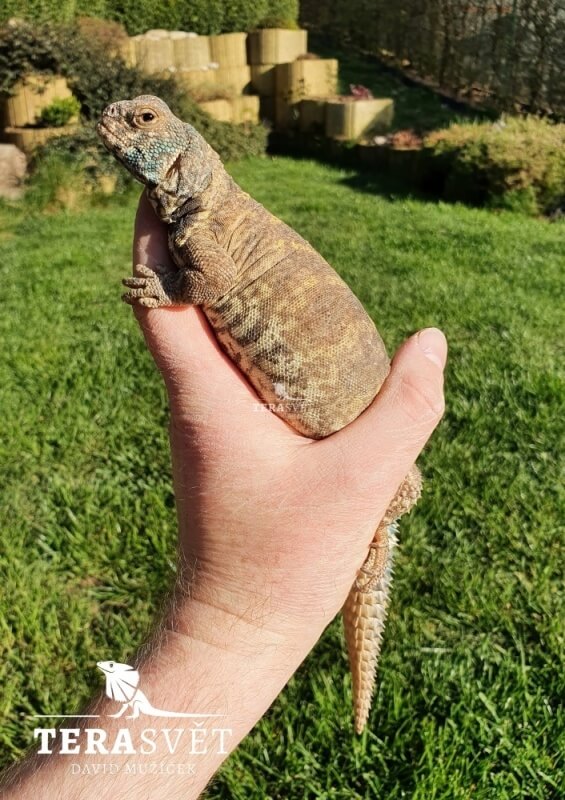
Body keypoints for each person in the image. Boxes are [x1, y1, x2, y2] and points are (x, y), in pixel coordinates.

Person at [0, 195, 447, 798]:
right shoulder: (194, 213)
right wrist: (232, 616)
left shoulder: (204, 217)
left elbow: (207, 279)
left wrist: (169, 290)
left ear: (180, 153)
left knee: (396, 497)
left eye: (145, 120)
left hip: (361, 451)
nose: (124, 125)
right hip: (325, 440)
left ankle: (367, 561)